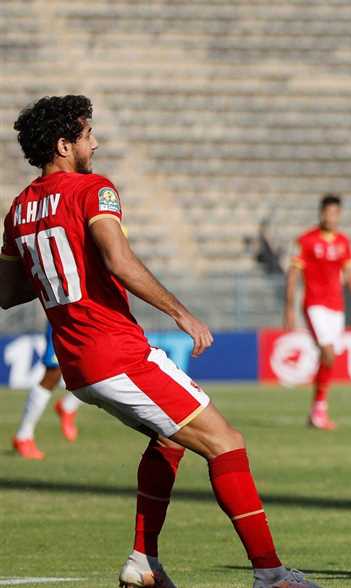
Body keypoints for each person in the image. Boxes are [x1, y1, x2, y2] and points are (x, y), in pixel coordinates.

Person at [0, 95, 319, 588]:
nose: (95, 144)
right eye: (87, 135)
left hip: (78, 363)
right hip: (115, 351)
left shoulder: (19, 209)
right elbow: (118, 260)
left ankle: (143, 563)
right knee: (226, 443)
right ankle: (271, 574)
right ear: (64, 145)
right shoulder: (93, 189)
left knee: (170, 438)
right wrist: (181, 312)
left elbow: (6, 294)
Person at [283, 194, 351, 430]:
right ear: (321, 213)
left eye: (334, 213)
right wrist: (289, 308)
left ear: (339, 215)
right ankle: (320, 410)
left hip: (336, 307)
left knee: (329, 358)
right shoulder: (306, 240)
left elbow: (349, 274)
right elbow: (293, 275)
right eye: (327, 212)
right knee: (328, 353)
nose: (330, 217)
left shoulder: (343, 241)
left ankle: (316, 410)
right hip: (314, 304)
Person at [12, 323, 82, 460]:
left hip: (88, 322)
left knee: (96, 368)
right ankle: (23, 436)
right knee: (53, 373)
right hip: (62, 321)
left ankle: (68, 405)